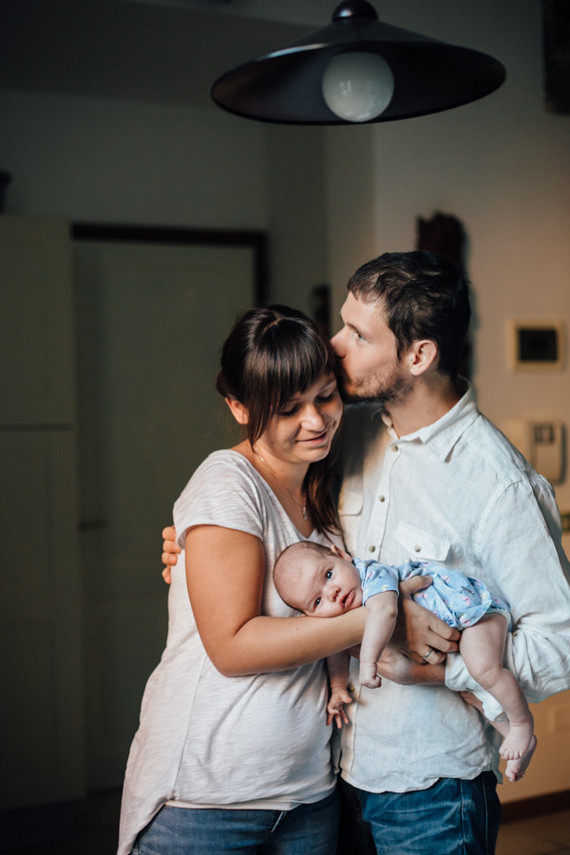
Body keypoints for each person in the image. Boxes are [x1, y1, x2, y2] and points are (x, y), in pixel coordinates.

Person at [162, 251, 570, 855]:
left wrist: (445, 669)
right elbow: (269, 514)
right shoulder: (339, 433)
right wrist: (193, 546)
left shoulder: (500, 484)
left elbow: (560, 643)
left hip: (433, 790)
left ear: (418, 355)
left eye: (357, 333)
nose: (332, 344)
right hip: (334, 779)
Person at [118, 303, 445, 855]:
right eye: (288, 409)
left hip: (306, 795)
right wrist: (380, 618)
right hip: (206, 800)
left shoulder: (322, 489)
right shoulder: (227, 482)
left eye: (325, 396)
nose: (315, 421)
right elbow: (232, 647)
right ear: (239, 407)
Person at [273, 540, 536, 784]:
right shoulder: (344, 611)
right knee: (475, 695)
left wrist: (368, 663)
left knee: (484, 670)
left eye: (329, 575)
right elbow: (336, 647)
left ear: (341, 555)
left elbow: (386, 612)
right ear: (309, 616)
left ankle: (521, 723)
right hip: (457, 637)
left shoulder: (373, 577)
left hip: (475, 614)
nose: (332, 592)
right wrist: (338, 687)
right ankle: (519, 740)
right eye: (318, 601)